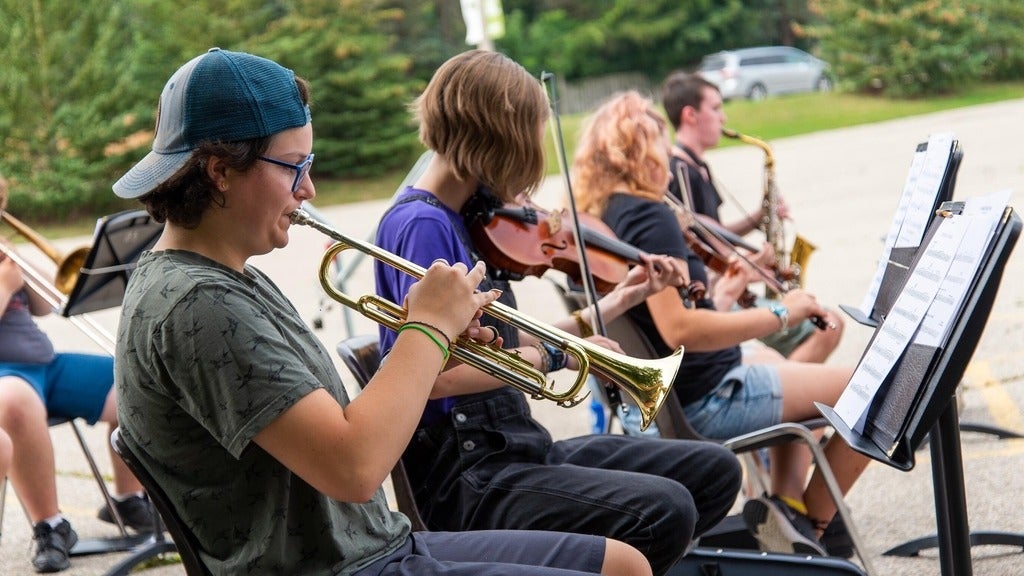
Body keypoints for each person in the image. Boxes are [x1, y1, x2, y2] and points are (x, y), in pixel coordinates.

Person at [111, 47, 655, 576]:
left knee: (624, 563)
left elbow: (339, 423)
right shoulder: (198, 305)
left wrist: (441, 345)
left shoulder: (224, 280)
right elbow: (355, 468)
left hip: (373, 545)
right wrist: (427, 329)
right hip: (346, 564)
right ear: (220, 171)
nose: (309, 189)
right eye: (294, 167)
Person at [374, 49, 742, 576]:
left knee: (714, 470)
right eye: (532, 138)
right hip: (471, 474)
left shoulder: (460, 218)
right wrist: (555, 357)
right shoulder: (422, 227)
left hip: (516, 448)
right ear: (499, 138)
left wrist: (619, 301)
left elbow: (508, 337)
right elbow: (434, 377)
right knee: (666, 510)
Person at [571, 90, 871, 557]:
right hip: (706, 398)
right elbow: (680, 331)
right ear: (643, 149)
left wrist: (726, 293)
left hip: (677, 396)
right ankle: (812, 526)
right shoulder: (648, 216)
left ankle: (785, 509)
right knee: (871, 391)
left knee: (780, 362)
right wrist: (782, 312)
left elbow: (661, 315)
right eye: (660, 140)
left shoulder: (607, 215)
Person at [0, 175, 153, 574]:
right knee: (14, 402)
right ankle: (50, 526)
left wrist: (20, 264)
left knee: (134, 378)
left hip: (45, 364)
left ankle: (128, 497)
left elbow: (47, 305)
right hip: (6, 377)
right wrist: (5, 287)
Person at [661, 72, 844, 365]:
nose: (723, 118)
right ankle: (788, 380)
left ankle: (788, 377)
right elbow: (700, 243)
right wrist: (752, 261)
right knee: (829, 326)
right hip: (715, 296)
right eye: (715, 108)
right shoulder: (680, 172)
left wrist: (760, 217)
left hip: (727, 288)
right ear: (690, 115)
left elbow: (714, 232)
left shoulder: (698, 167)